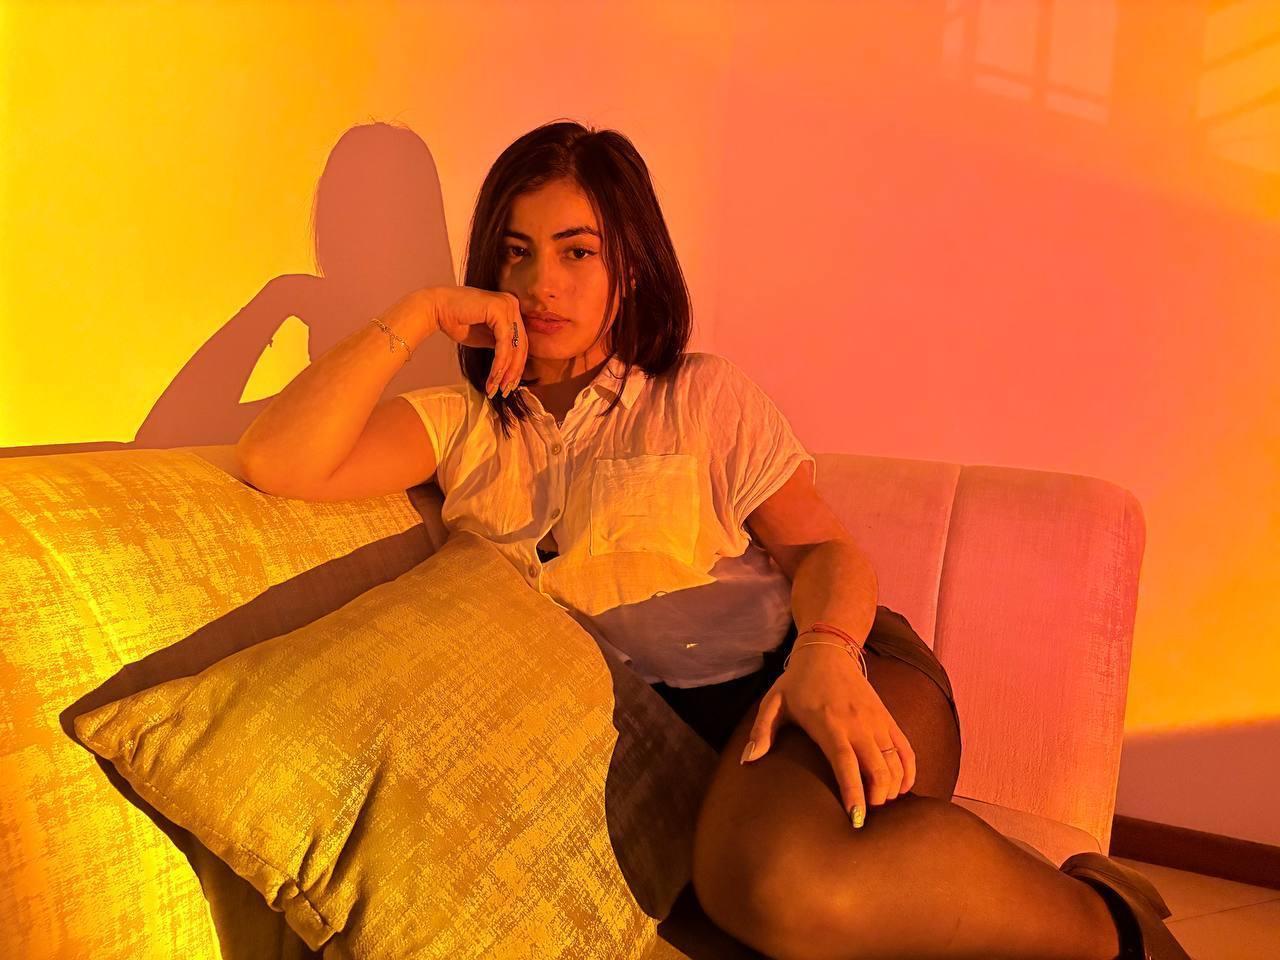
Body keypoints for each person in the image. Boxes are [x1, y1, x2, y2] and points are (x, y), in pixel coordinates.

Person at [236, 120, 1188, 960]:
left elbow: (826, 554)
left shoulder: (699, 394)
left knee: (774, 885)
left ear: (630, 266)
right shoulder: (464, 425)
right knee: (758, 895)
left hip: (825, 666)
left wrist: (827, 656)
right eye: (516, 254)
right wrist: (414, 313)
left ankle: (1112, 924)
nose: (540, 285)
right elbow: (278, 459)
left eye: (577, 252)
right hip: (675, 746)